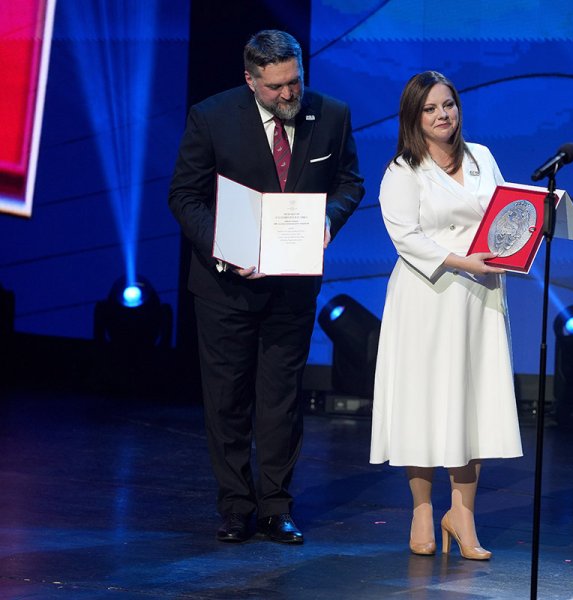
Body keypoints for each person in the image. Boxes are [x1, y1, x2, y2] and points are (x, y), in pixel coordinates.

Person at [168, 30, 364, 544]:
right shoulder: (210, 116)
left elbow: (349, 183)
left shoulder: (332, 114)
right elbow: (184, 195)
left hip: (292, 286)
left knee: (280, 400)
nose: (288, 95)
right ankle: (236, 506)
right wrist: (224, 246)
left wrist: (328, 221)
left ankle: (276, 506)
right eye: (276, 87)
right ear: (250, 80)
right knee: (227, 399)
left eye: (294, 82)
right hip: (224, 287)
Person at [369, 71, 523, 560]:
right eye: (432, 108)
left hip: (479, 299)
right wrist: (462, 261)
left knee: (470, 402)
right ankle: (420, 509)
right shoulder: (402, 169)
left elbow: (505, 212)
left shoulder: (482, 158)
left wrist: (528, 227)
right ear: (415, 117)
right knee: (424, 401)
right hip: (426, 298)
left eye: (449, 105)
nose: (443, 115)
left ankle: (462, 513)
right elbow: (407, 238)